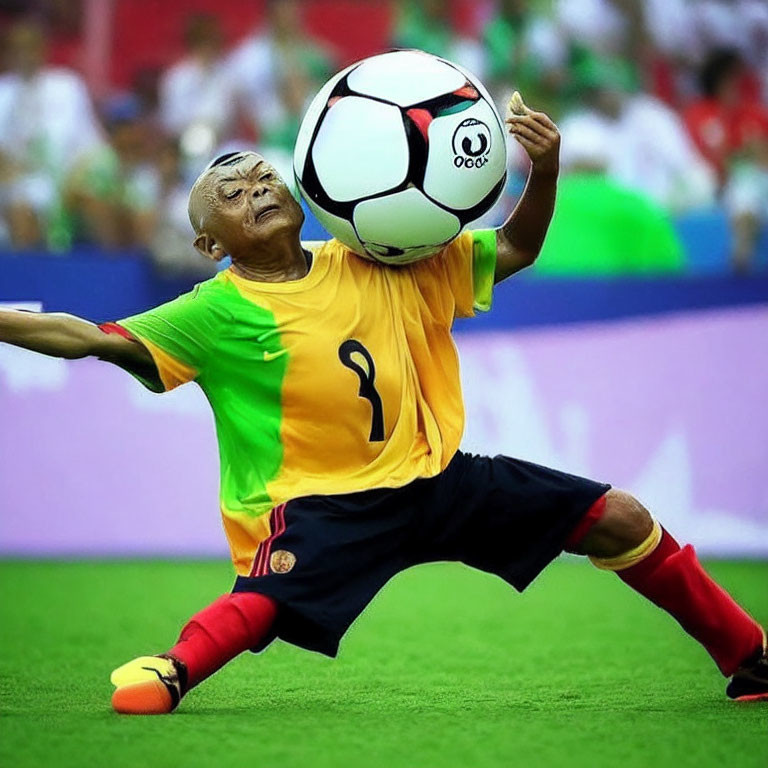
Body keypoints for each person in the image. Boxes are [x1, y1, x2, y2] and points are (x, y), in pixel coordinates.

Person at [1, 98, 765, 715]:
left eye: (264, 177)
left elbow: (518, 249)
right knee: (264, 604)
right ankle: (172, 671)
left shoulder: (379, 257)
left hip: (438, 479)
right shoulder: (211, 311)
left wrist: (547, 171)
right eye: (231, 195)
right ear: (210, 244)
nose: (257, 190)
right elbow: (83, 335)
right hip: (325, 506)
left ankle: (749, 657)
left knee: (622, 518)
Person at [0, 18, 102, 248]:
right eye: (17, 49)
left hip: (65, 179)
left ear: (41, 50)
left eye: (30, 47)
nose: (24, 55)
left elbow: (92, 146)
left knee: (97, 204)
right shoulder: (3, 92)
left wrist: (74, 180)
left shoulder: (67, 86)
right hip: (16, 183)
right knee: (21, 209)